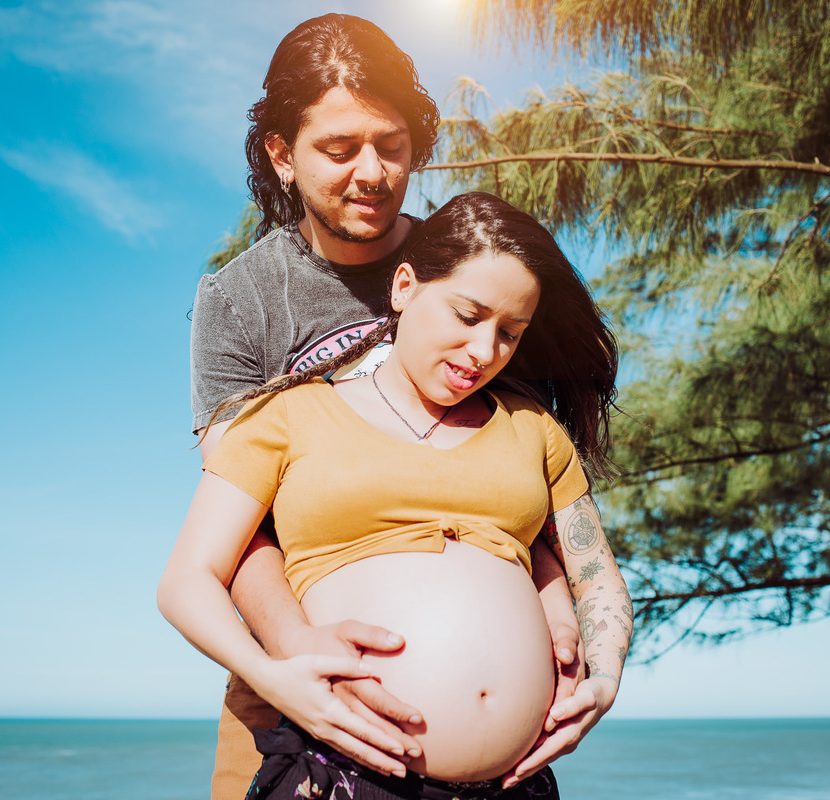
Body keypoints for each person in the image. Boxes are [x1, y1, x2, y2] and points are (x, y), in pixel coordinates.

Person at [189, 14, 589, 800]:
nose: (371, 171)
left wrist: (560, 608)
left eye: (392, 144)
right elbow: (239, 530)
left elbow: (516, 482)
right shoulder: (238, 301)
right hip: (300, 704)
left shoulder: (474, 273)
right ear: (282, 154)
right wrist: (301, 661)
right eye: (339, 150)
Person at [164, 192, 633, 800]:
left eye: (510, 334)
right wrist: (273, 677)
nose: (483, 352)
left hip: (513, 785)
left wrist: (604, 681)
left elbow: (598, 579)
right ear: (405, 286)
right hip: (342, 775)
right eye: (467, 316)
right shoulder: (290, 416)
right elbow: (186, 580)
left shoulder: (533, 429)